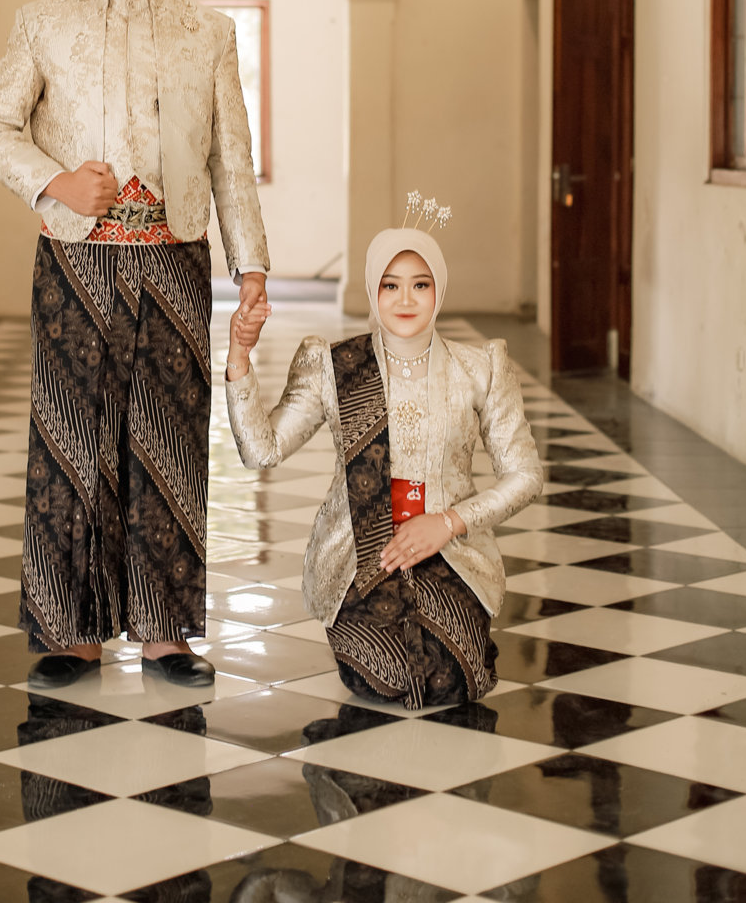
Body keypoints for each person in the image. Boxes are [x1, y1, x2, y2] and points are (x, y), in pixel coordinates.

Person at [0, 0, 269, 690]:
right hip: (76, 257)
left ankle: (168, 632)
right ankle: (72, 634)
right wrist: (55, 181)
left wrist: (251, 264)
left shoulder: (208, 32)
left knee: (169, 437)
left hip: (175, 257)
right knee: (74, 437)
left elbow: (231, 159)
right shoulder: (44, 23)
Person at [224, 210, 541, 710]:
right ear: (373, 290)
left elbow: (525, 476)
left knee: (453, 674)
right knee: (383, 672)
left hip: (449, 550)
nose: (406, 299)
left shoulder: (480, 369)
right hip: (361, 554)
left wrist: (448, 523)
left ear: (439, 289)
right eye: (390, 285)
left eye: (420, 284)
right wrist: (239, 358)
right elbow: (261, 450)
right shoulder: (335, 366)